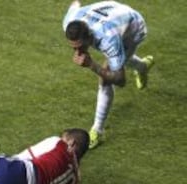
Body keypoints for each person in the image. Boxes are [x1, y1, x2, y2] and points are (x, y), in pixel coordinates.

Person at [62, 0, 154, 149]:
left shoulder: (108, 39)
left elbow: (121, 79)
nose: (78, 52)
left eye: (80, 47)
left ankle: (97, 131)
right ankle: (143, 66)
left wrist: (92, 65)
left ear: (89, 37)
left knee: (105, 79)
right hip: (113, 12)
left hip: (134, 27)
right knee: (122, 59)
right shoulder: (69, 21)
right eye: (73, 48)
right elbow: (75, 3)